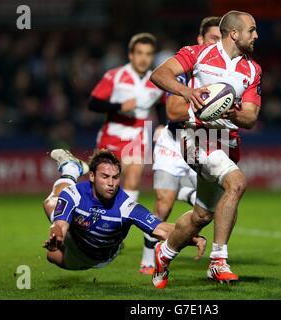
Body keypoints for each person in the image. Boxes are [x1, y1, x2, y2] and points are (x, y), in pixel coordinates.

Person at [149, 11, 262, 288]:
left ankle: (164, 253)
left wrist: (229, 110)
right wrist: (187, 93)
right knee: (236, 183)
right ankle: (218, 261)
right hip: (196, 136)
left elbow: (250, 117)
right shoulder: (197, 53)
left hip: (227, 141)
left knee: (202, 216)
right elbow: (159, 74)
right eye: (252, 30)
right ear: (234, 33)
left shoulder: (253, 70)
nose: (256, 35)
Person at [139, 16, 222, 275]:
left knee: (213, 208)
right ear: (200, 40)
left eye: (222, 40)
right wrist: (210, 102)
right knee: (163, 203)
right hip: (173, 142)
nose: (217, 45)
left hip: (204, 145)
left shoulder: (226, 72)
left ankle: (219, 259)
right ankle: (147, 258)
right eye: (213, 39)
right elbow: (173, 112)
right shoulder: (185, 69)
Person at [42, 149, 206, 270]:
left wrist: (191, 237)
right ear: (92, 176)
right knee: (51, 203)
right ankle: (71, 168)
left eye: (115, 177)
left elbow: (160, 229)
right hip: (74, 239)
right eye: (105, 177)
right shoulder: (75, 194)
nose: (111, 184)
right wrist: (56, 235)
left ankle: (70, 167)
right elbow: (60, 224)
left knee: (53, 256)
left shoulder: (126, 207)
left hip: (98, 256)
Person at [88, 33, 166, 203]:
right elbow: (93, 103)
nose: (143, 58)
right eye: (139, 53)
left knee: (133, 180)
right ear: (131, 55)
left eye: (148, 54)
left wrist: (162, 124)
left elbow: (161, 103)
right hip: (113, 134)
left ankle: (123, 224)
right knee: (105, 184)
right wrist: (119, 107)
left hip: (139, 135)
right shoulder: (115, 76)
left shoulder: (157, 79)